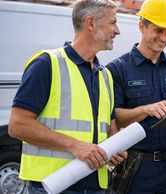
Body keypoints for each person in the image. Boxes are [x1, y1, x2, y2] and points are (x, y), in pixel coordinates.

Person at [8, 0, 127, 193]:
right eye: (113, 23)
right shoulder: (46, 64)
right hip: (52, 186)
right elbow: (17, 125)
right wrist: (76, 146)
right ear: (91, 23)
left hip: (95, 186)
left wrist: (113, 148)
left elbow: (110, 127)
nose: (118, 31)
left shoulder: (105, 75)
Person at [106, 0, 166, 193]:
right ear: (142, 26)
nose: (165, 38)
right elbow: (112, 117)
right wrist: (145, 110)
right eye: (159, 30)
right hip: (136, 168)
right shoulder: (117, 69)